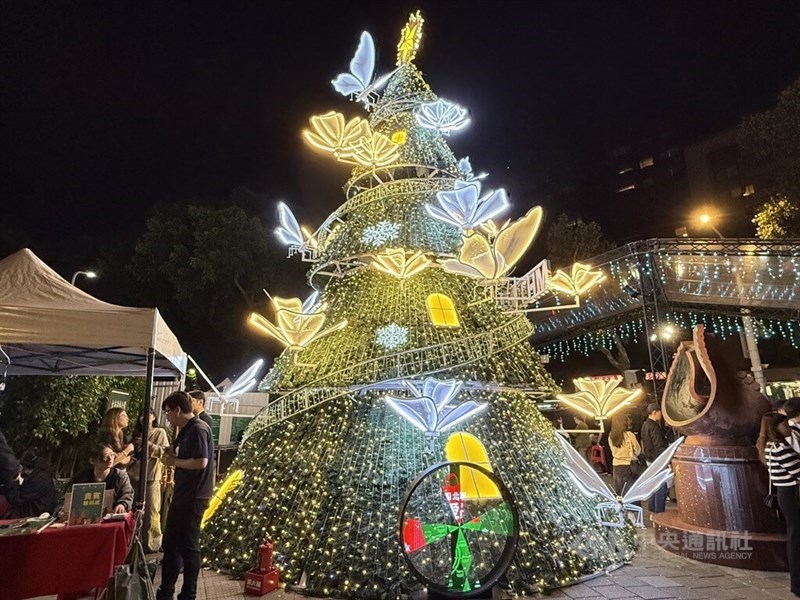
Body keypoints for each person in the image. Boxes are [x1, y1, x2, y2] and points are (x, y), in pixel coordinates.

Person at [157, 391, 214, 600]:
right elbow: (174, 450)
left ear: (178, 410)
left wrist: (175, 463)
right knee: (171, 543)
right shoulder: (186, 429)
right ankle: (166, 590)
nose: (168, 417)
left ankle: (188, 593)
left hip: (195, 495)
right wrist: (169, 451)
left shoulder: (198, 428)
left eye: (168, 413)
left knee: (189, 545)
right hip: (183, 494)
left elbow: (201, 462)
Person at [763, 412, 800, 597]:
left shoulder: (770, 446)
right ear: (776, 427)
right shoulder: (778, 447)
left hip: (786, 494)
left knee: (795, 536)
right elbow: (797, 471)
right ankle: (798, 583)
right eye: (785, 424)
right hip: (792, 494)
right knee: (796, 537)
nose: (788, 427)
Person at [130, 411, 170, 552]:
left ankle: (152, 544)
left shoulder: (160, 432)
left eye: (148, 415)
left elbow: (164, 451)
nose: (144, 418)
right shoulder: (135, 434)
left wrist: (148, 444)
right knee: (134, 510)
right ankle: (134, 541)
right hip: (134, 474)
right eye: (142, 415)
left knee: (151, 511)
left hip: (151, 476)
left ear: (154, 417)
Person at [74, 444, 134, 514]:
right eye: (105, 456)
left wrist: (122, 505)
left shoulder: (120, 476)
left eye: (112, 455)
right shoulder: (82, 477)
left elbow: (127, 494)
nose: (110, 458)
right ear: (92, 460)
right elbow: (69, 496)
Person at [5, 449, 58, 518]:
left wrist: (14, 481)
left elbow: (16, 499)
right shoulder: (43, 473)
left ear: (22, 467)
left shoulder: (36, 479)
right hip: (42, 507)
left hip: (36, 511)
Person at [640, 402, 669, 515]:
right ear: (654, 412)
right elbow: (659, 445)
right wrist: (666, 460)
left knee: (652, 486)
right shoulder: (654, 426)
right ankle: (660, 514)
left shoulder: (645, 425)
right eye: (659, 412)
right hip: (657, 460)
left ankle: (652, 510)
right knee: (661, 488)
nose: (661, 414)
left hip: (649, 460)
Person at [608, 413, 641, 496]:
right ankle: (633, 508)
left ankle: (621, 508)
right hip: (630, 465)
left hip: (617, 466)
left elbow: (612, 450)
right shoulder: (630, 435)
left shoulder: (611, 436)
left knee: (619, 492)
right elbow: (638, 450)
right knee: (632, 492)